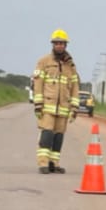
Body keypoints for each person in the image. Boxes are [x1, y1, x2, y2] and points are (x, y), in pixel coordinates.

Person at [32, 29, 79, 173]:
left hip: (63, 108)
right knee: (47, 134)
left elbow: (75, 87)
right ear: (53, 44)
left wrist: (74, 106)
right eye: (57, 43)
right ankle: (43, 163)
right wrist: (38, 104)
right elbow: (38, 84)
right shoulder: (44, 62)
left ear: (66, 45)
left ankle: (54, 163)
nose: (59, 46)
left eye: (62, 43)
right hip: (48, 106)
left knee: (59, 136)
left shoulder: (70, 65)